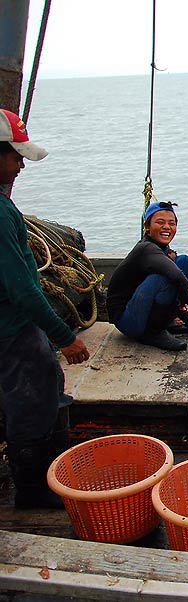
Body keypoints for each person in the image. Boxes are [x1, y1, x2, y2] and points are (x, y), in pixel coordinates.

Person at [0, 109, 90, 509]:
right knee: (31, 405)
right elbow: (23, 289)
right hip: (13, 332)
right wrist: (65, 337)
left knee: (44, 391)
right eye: (15, 155)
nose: (21, 164)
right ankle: (33, 494)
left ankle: (46, 477)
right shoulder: (2, 214)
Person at [106, 201, 188, 351]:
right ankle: (153, 333)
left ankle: (165, 323)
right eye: (160, 222)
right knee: (164, 277)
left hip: (142, 309)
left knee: (185, 262)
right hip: (128, 320)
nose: (166, 227)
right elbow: (176, 277)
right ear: (147, 226)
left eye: (171, 223)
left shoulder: (164, 249)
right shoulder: (146, 248)